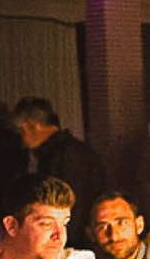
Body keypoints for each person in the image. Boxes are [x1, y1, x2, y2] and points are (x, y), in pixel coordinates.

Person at [12, 98, 105, 247]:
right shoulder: (62, 152)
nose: (21, 140)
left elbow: (76, 203)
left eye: (21, 131)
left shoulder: (67, 155)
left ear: (33, 126)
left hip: (75, 241)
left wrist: (63, 244)